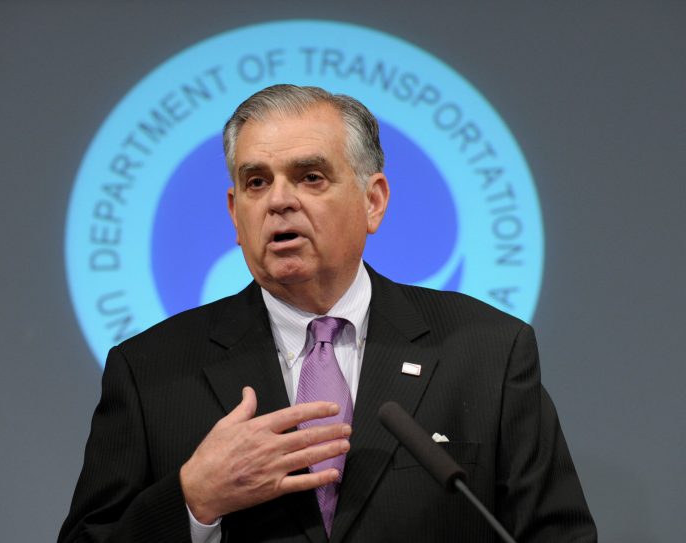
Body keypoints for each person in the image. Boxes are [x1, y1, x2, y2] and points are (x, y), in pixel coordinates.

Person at [58, 84, 596, 542]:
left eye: (310, 177)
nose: (279, 201)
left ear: (374, 201)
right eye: (256, 181)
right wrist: (193, 499)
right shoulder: (150, 371)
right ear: (234, 213)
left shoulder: (487, 352)